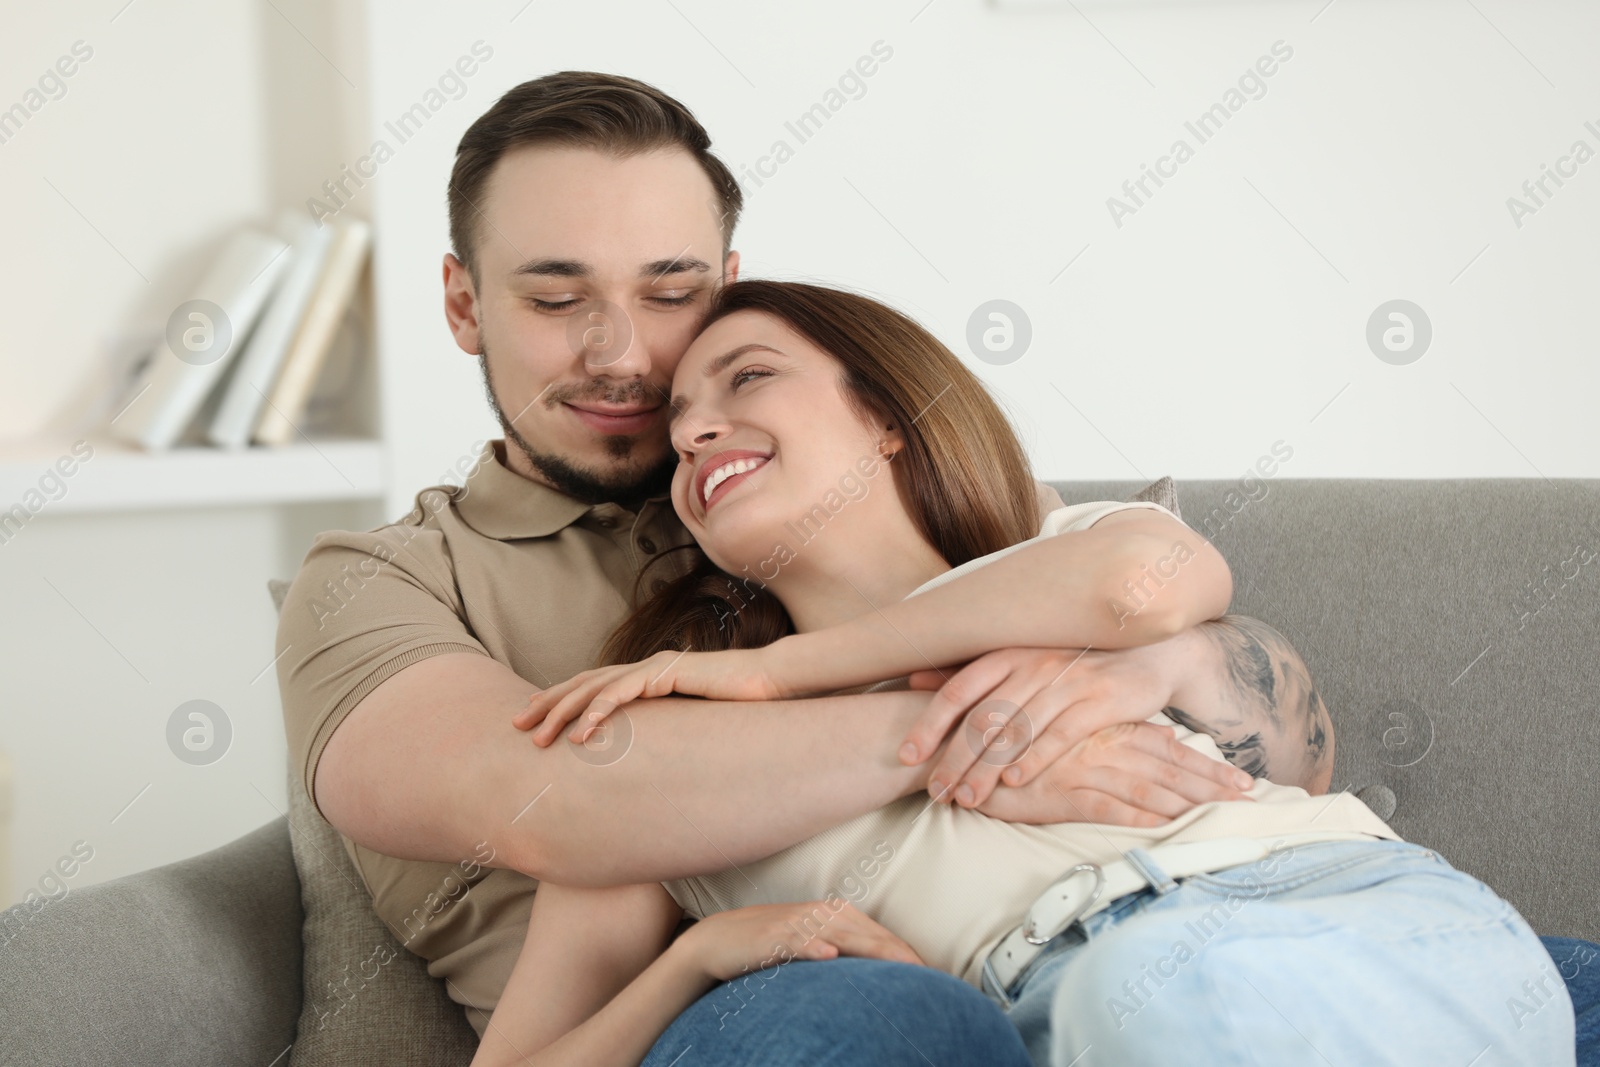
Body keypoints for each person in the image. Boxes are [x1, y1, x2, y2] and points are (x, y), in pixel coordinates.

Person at [273, 71, 1597, 1059]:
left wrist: (1167, 664)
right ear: (463, 301)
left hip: (1287, 906)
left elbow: (1194, 660)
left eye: (677, 294)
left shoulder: (957, 529)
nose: (632, 355)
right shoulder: (393, 580)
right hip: (821, 988)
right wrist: (965, 724)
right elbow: (561, 803)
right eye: (556, 297)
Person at [479, 279, 1575, 1067]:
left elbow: (1146, 587)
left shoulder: (1067, 549)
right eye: (675, 435)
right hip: (1048, 1001)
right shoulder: (660, 722)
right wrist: (699, 956)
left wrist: (787, 672)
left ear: (889, 415)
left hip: (1331, 902)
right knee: (1143, 1001)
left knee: (1194, 993)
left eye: (746, 377)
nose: (698, 428)